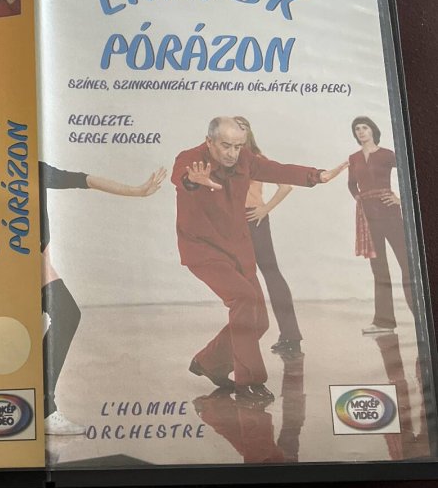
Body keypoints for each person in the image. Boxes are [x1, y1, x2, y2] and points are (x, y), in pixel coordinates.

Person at [173, 117, 344, 403]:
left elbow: (278, 170)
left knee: (259, 321)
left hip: (238, 246)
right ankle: (249, 382)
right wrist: (193, 181)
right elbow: (181, 176)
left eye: (238, 146)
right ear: (209, 142)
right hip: (203, 249)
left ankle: (209, 362)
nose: (232, 153)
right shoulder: (191, 158)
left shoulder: (246, 160)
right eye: (226, 146)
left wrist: (317, 176)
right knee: (244, 299)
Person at [40, 161, 166, 434]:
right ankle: (40, 406)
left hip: (36, 263)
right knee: (65, 316)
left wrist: (136, 191)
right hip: (11, 264)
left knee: (66, 316)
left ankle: (40, 403)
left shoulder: (32, 167)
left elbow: (83, 179)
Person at [234, 115, 303, 355]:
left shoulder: (258, 160)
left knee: (271, 274)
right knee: (240, 279)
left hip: (254, 219)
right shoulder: (226, 160)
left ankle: (291, 336)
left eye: (242, 128)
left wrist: (264, 209)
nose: (238, 132)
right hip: (231, 222)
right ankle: (245, 340)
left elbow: (286, 186)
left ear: (248, 133)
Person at [348, 116, 415, 334]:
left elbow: (410, 172)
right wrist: (360, 199)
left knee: (407, 265)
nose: (361, 131)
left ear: (372, 130)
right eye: (357, 129)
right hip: (368, 218)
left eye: (364, 128)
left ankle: (421, 316)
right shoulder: (354, 158)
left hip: (390, 214)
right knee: (379, 269)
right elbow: (351, 185)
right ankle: (384, 322)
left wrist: (401, 199)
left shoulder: (387, 154)